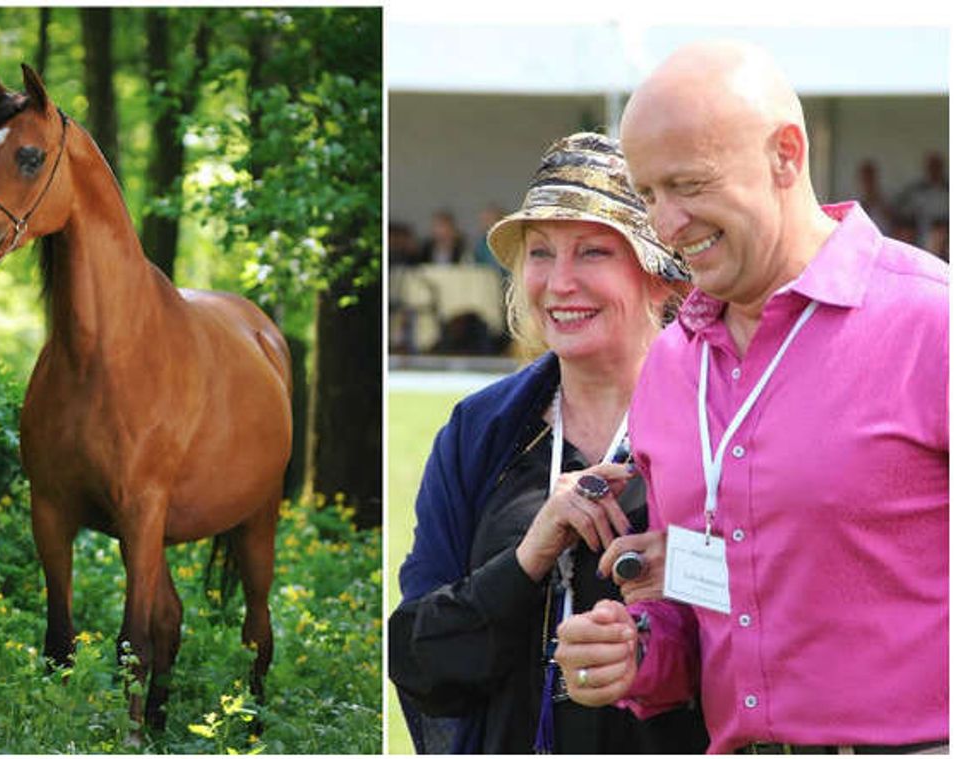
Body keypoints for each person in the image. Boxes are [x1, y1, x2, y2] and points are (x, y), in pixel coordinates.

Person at [555, 40, 948, 755]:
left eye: (690, 183)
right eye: (647, 194)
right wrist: (639, 647)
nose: (667, 225)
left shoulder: (932, 324)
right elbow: (696, 601)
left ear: (786, 155)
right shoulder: (673, 363)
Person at [389, 133, 708, 754]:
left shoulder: (720, 427)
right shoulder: (479, 433)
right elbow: (418, 656)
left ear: (659, 277)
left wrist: (680, 583)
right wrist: (525, 560)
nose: (560, 282)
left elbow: (779, 612)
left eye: (592, 252)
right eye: (540, 254)